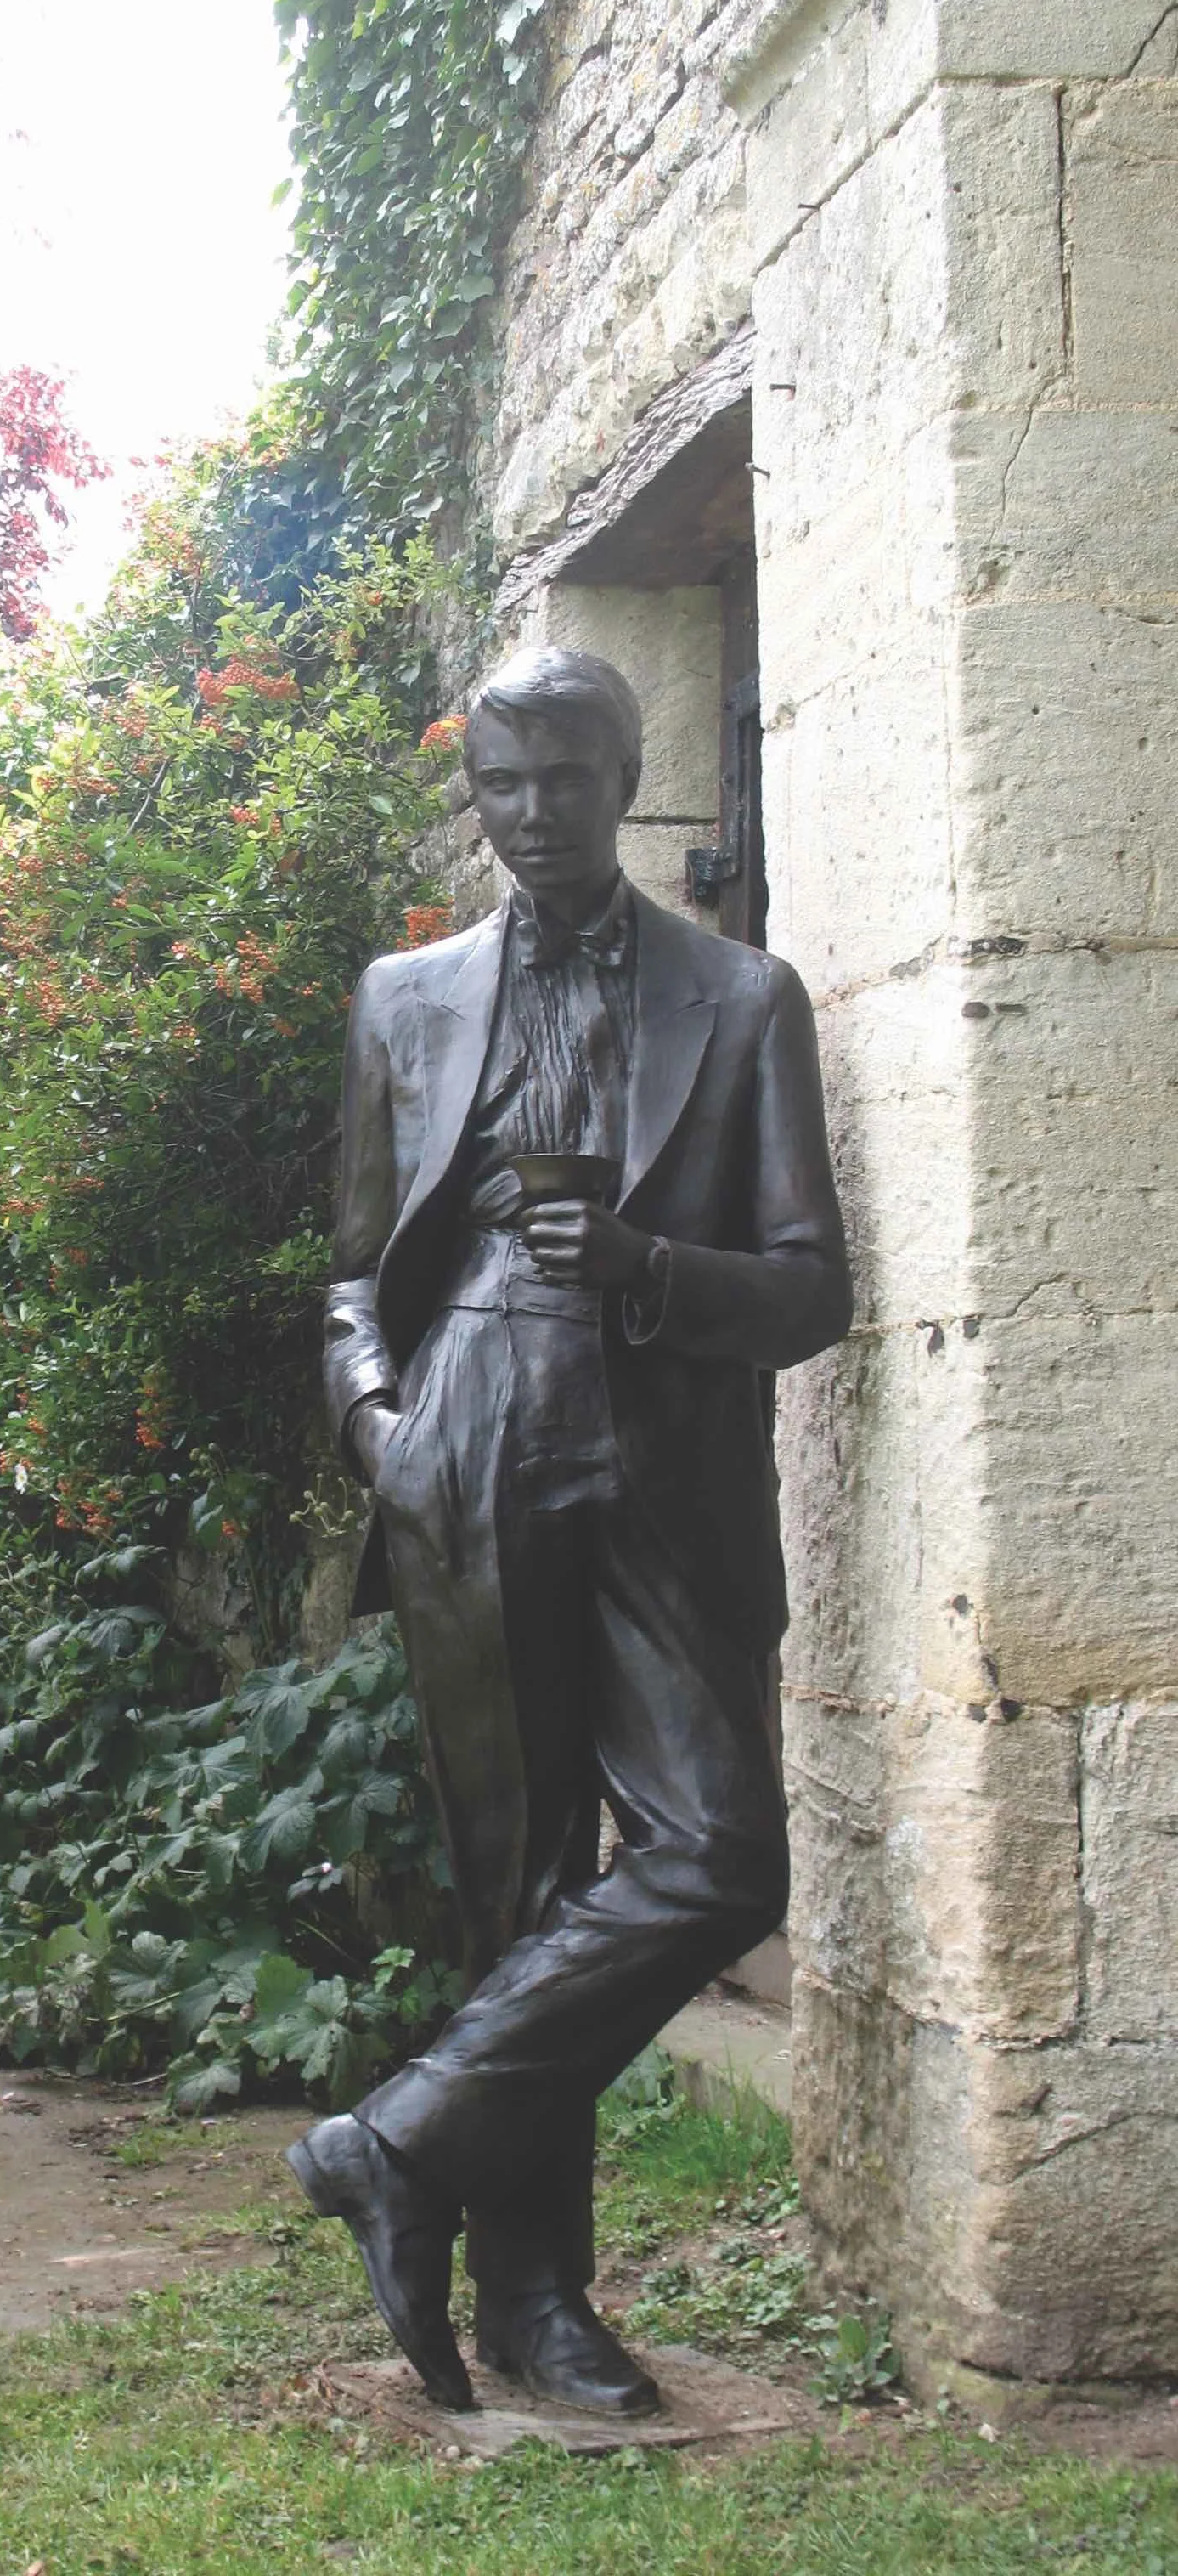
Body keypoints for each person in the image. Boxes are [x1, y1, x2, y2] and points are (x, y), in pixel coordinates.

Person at [286, 645, 850, 2415]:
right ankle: (537, 2309)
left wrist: (644, 1273)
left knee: (721, 1852)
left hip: (660, 1452)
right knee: (514, 1885)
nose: (529, 814)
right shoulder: (406, 997)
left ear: (626, 777)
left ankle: (403, 2138)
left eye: (563, 780)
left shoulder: (743, 999)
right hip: (464, 1440)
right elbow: (357, 1275)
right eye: (502, 784)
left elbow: (812, 1290)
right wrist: (383, 1427)